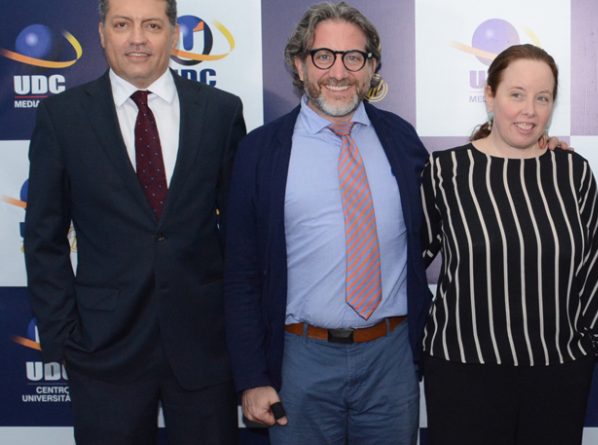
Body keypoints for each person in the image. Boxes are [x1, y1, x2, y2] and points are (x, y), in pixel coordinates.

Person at [23, 0, 246, 443]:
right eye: (123, 24)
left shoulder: (220, 111)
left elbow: (241, 232)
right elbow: (43, 238)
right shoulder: (62, 117)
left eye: (152, 25)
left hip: (203, 347)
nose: (138, 38)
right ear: (102, 33)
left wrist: (239, 332)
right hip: (103, 351)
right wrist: (65, 337)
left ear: (174, 35)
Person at [223, 2, 430, 444]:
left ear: (371, 67)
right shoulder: (260, 152)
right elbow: (240, 273)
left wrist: (536, 153)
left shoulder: (402, 140)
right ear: (300, 65)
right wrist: (252, 377)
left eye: (353, 57)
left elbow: (452, 204)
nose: (339, 72)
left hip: (391, 360)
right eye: (323, 56)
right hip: (300, 359)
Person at [420, 44, 598, 445]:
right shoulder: (445, 170)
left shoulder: (573, 172)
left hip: (557, 373)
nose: (530, 111)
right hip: (462, 371)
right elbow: (407, 261)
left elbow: (590, 274)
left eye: (543, 98)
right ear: (490, 95)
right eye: (516, 94)